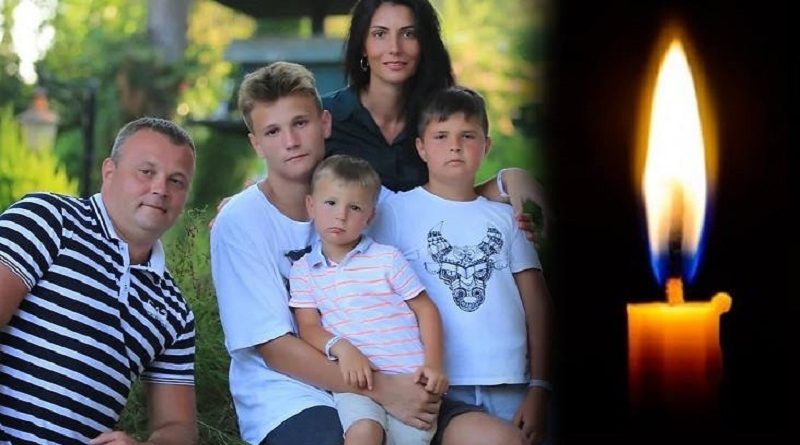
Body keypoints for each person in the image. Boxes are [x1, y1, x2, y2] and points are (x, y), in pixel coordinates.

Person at [211, 61, 527, 445]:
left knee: (499, 438)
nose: (290, 141)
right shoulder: (240, 222)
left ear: (325, 123)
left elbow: (442, 200)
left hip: (394, 373)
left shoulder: (364, 198)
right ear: (256, 144)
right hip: (293, 394)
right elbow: (276, 350)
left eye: (301, 123)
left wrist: (507, 181)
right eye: (273, 131)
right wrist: (384, 390)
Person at [370, 86, 554, 445]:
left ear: (486, 146)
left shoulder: (507, 217)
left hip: (511, 384)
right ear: (421, 148)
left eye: (467, 136)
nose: (454, 146)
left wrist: (540, 387)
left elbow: (538, 305)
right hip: (435, 386)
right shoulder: (394, 212)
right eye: (441, 136)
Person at [0, 117, 198, 444]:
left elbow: (179, 428)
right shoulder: (49, 220)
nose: (161, 189)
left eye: (176, 181)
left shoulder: (175, 311)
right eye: (146, 171)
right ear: (109, 172)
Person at [324, 0, 548, 229]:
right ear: (363, 45)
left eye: (409, 34)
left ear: (425, 43)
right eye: (380, 34)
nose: (395, 48)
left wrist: (506, 182)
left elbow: (453, 199)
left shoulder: (441, 120)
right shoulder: (325, 118)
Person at [289, 154, 447, 445]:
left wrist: (435, 364)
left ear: (370, 217)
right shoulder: (304, 270)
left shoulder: (387, 259)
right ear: (311, 205)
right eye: (330, 203)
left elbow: (425, 309)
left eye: (354, 207)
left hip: (410, 381)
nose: (341, 216)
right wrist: (343, 348)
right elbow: (308, 327)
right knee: (363, 433)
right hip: (355, 382)